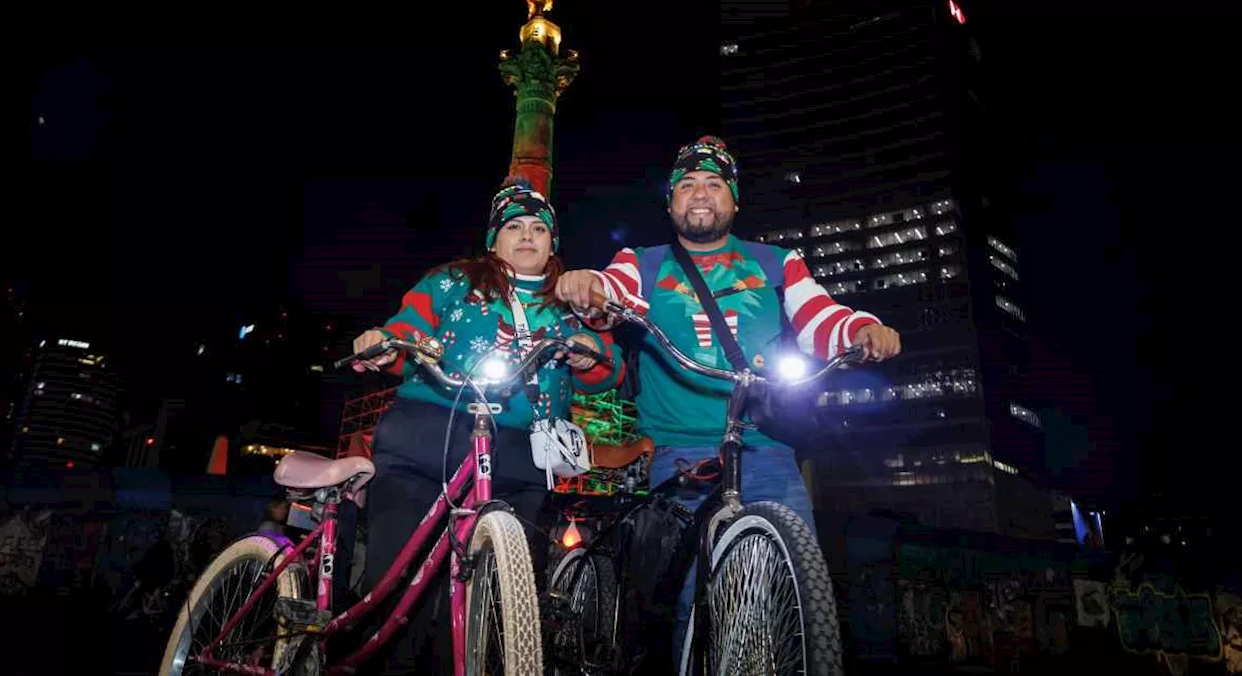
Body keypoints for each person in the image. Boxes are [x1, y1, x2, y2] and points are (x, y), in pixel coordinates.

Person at [555, 135, 901, 658]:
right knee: (690, 597)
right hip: (678, 454)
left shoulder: (777, 262)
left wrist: (860, 329)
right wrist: (589, 289)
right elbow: (613, 296)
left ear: (733, 201)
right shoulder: (642, 261)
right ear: (670, 202)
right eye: (687, 185)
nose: (699, 193)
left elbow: (819, 317)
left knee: (791, 590)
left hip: (766, 449)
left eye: (714, 184)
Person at [350, 180, 625, 674]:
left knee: (502, 598)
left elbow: (609, 364)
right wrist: (386, 341)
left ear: (552, 243)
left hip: (521, 454)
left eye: (539, 229)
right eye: (514, 227)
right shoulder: (451, 282)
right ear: (493, 239)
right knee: (397, 583)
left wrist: (590, 355)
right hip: (428, 436)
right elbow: (408, 327)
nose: (526, 236)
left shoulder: (566, 300)